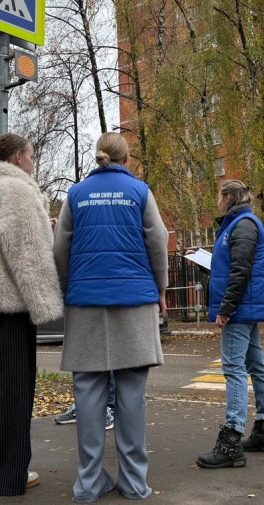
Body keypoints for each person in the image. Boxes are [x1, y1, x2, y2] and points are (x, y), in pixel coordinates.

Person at [54, 132, 168, 503]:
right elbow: (157, 239)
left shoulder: (76, 194)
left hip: (86, 302)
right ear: (127, 158)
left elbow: (61, 247)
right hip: (134, 302)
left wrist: (72, 287)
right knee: (131, 395)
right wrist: (161, 289)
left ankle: (88, 484)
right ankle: (134, 484)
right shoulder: (139, 192)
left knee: (88, 393)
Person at [0, 133, 64, 497]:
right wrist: (46, 305)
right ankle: (9, 477)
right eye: (32, 155)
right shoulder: (19, 191)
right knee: (13, 391)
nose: (33, 162)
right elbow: (27, 256)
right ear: (18, 157)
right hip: (12, 306)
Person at [197, 180, 264, 470]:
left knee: (233, 369)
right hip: (247, 306)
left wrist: (225, 308)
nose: (217, 200)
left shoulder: (242, 224)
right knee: (256, 366)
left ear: (229, 196)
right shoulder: (242, 223)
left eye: (219, 195)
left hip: (239, 308)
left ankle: (231, 440)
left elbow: (241, 269)